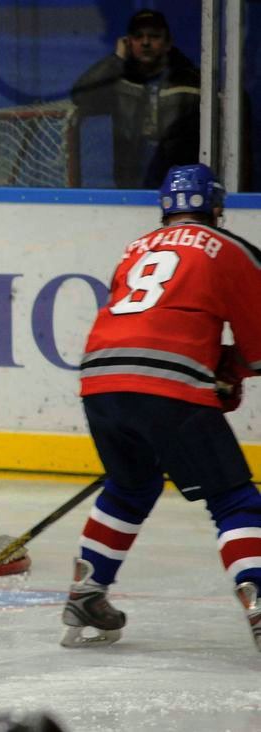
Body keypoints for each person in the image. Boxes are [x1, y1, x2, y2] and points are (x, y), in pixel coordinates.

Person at [64, 163, 261, 650]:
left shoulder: (135, 250)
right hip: (169, 387)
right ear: (217, 208)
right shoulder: (231, 249)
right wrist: (231, 371)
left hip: (100, 381)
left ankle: (87, 591)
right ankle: (259, 595)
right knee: (234, 499)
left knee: (131, 486)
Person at [71, 9, 200, 189]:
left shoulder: (192, 82)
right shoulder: (120, 83)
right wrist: (117, 59)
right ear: (128, 42)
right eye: (138, 37)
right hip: (131, 189)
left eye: (154, 36)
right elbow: (81, 96)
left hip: (182, 188)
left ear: (168, 43)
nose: (145, 42)